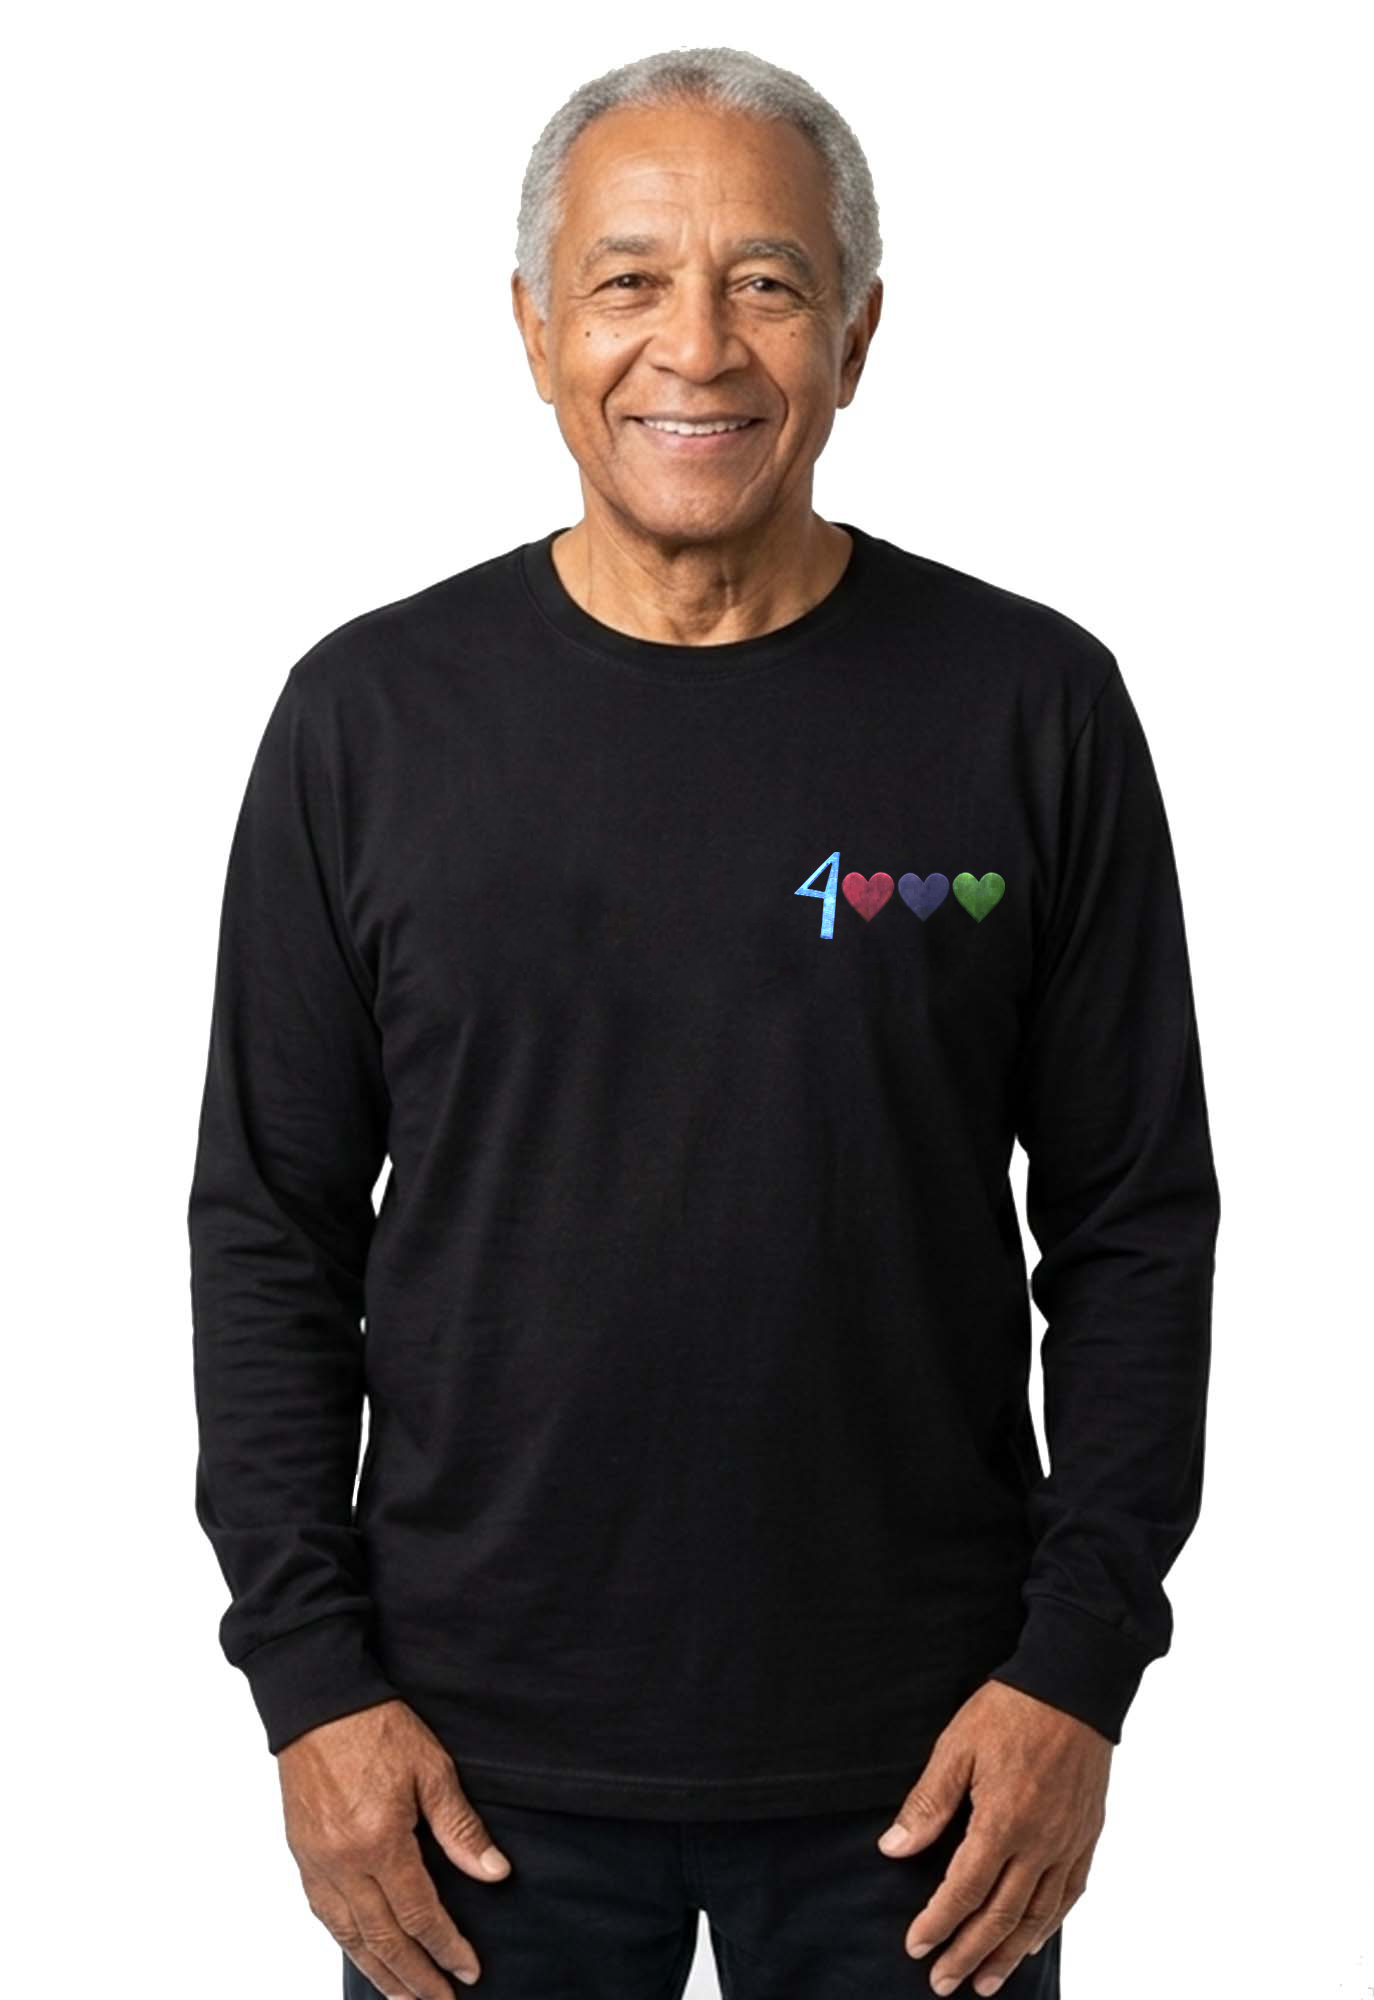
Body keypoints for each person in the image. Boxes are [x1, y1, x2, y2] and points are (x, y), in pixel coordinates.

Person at [186, 44, 1220, 2000]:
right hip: (465, 1778)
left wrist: (1077, 1673)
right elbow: (269, 1232)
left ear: (857, 332)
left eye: (765, 281)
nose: (697, 346)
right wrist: (309, 1686)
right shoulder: (367, 724)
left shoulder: (1032, 709)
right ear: (532, 329)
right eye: (628, 280)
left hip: (934, 1778)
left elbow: (1136, 1224)